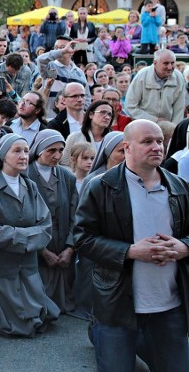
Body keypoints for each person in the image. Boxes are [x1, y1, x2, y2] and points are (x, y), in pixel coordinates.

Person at [74, 119, 189, 372]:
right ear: (126, 147)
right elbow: (82, 239)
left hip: (170, 305)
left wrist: (184, 248)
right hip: (117, 305)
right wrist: (129, 251)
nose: (157, 147)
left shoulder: (179, 187)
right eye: (147, 142)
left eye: (160, 141)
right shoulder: (101, 186)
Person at [0, 134, 59, 336]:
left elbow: (45, 227)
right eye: (17, 151)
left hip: (27, 266)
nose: (23, 156)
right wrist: (30, 237)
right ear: (3, 156)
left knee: (35, 319)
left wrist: (17, 236)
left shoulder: (30, 186)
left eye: (26, 151)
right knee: (17, 325)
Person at [26, 130, 78, 315]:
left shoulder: (67, 177)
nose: (57, 156)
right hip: (38, 240)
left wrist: (70, 248)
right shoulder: (25, 175)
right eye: (51, 150)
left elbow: (76, 216)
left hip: (62, 238)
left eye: (61, 150)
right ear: (39, 150)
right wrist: (42, 250)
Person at [125, 49, 185, 124]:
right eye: (166, 63)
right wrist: (154, 120)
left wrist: (174, 130)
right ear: (155, 63)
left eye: (172, 63)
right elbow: (130, 107)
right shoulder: (142, 76)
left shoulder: (179, 77)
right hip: (143, 124)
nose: (170, 67)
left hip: (168, 127)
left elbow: (179, 109)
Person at [36, 37, 90, 120]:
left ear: (72, 51)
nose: (57, 51)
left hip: (74, 120)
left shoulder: (79, 72)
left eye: (62, 47)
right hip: (51, 119)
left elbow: (87, 97)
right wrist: (63, 51)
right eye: (56, 48)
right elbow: (40, 60)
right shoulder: (51, 67)